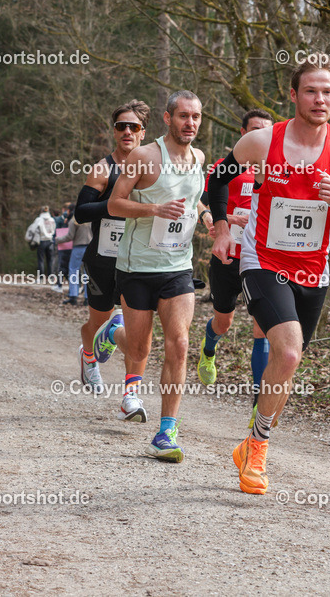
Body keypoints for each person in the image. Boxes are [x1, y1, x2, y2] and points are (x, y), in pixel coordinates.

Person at [208, 56, 330, 494]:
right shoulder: (262, 142)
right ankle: (258, 451)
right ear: (294, 95)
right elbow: (217, 181)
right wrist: (222, 228)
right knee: (290, 354)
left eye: (328, 92)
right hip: (263, 261)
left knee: (286, 367)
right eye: (311, 91)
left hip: (314, 271)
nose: (320, 99)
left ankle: (251, 442)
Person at [106, 90, 205, 463]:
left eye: (196, 117)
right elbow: (115, 204)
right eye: (183, 116)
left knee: (179, 344)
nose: (190, 123)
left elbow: (192, 200)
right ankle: (112, 333)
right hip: (137, 268)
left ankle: (166, 432)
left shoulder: (199, 158)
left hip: (178, 267)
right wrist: (154, 210)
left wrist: (208, 216)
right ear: (167, 118)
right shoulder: (144, 157)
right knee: (138, 349)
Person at [71, 100, 153, 403]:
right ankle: (89, 356)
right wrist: (116, 204)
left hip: (139, 260)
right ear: (114, 131)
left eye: (134, 126)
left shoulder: (153, 168)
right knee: (99, 322)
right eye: (121, 126)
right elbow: (81, 212)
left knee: (138, 329)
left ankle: (131, 395)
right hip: (103, 260)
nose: (127, 131)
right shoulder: (103, 169)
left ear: (143, 132)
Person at [196, 110, 273, 426]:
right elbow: (200, 203)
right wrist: (222, 220)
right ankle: (208, 349)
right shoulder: (226, 167)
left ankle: (258, 404)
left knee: (262, 329)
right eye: (255, 130)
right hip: (228, 255)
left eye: (266, 131)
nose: (260, 136)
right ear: (243, 133)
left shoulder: (278, 170)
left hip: (262, 260)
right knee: (223, 322)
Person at [57, 214, 90, 305]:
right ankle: (87, 298)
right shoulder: (91, 220)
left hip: (78, 248)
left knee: (73, 271)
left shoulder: (74, 221)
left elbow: (69, 236)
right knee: (88, 273)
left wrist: (58, 240)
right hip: (89, 248)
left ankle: (73, 296)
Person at [28, 206, 56, 279]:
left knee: (41, 260)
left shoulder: (38, 220)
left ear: (41, 211)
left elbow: (33, 229)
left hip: (41, 241)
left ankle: (41, 277)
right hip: (50, 241)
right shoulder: (52, 220)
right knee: (50, 260)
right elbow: (54, 229)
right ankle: (51, 277)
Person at [55, 202, 74, 292]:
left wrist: (56, 240)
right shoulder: (78, 218)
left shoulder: (62, 219)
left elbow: (58, 230)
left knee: (62, 266)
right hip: (73, 245)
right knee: (72, 267)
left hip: (64, 244)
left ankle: (59, 285)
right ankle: (75, 286)